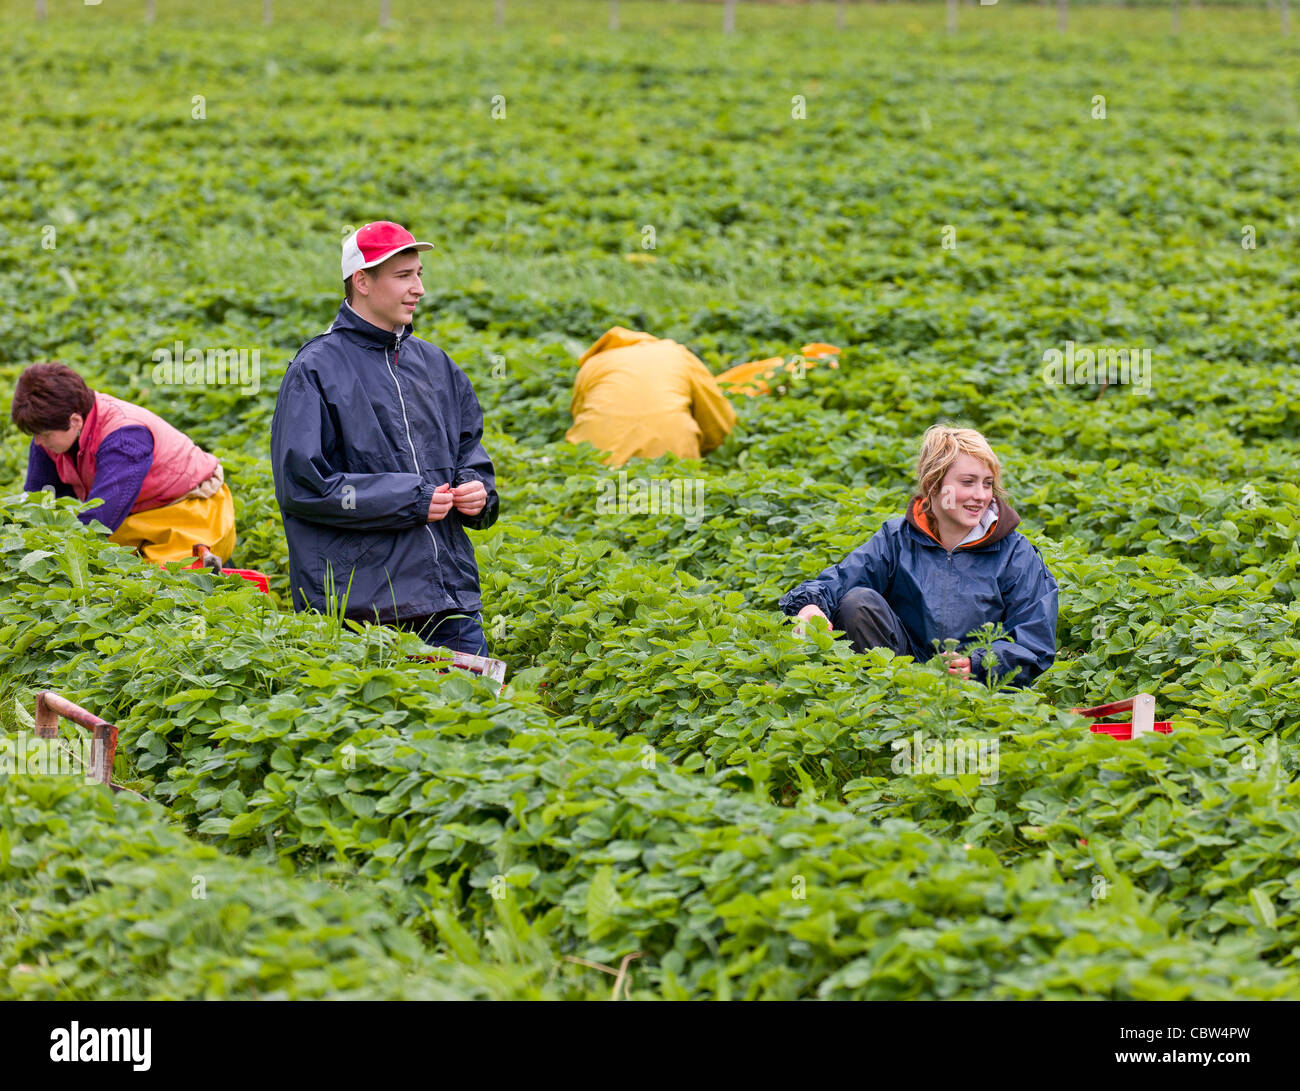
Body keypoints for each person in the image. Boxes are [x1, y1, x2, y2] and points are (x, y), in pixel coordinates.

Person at [270, 221, 499, 655]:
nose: (418, 289)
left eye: (419, 274)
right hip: (362, 610)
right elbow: (304, 487)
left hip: (450, 599)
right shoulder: (315, 369)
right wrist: (409, 499)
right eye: (403, 276)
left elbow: (470, 453)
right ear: (362, 281)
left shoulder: (437, 366)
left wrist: (477, 490)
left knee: (477, 718)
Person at [779, 425, 1058, 687]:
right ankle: (882, 702)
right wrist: (810, 607)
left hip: (975, 690)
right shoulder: (897, 539)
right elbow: (838, 581)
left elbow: (1034, 640)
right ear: (933, 484)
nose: (981, 495)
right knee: (857, 602)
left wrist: (977, 664)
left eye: (987, 483)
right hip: (900, 674)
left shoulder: (1015, 553)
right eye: (968, 482)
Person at [11, 362, 235, 563]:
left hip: (190, 511)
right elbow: (38, 500)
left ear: (75, 421)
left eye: (45, 435)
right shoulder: (51, 431)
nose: (38, 442)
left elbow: (99, 520)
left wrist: (54, 557)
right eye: (35, 434)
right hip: (137, 515)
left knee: (160, 585)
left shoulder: (125, 439)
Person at [566, 326, 737, 466]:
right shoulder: (677, 355)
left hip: (595, 468)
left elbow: (580, 413)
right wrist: (706, 449)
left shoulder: (593, 364)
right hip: (675, 465)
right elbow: (718, 423)